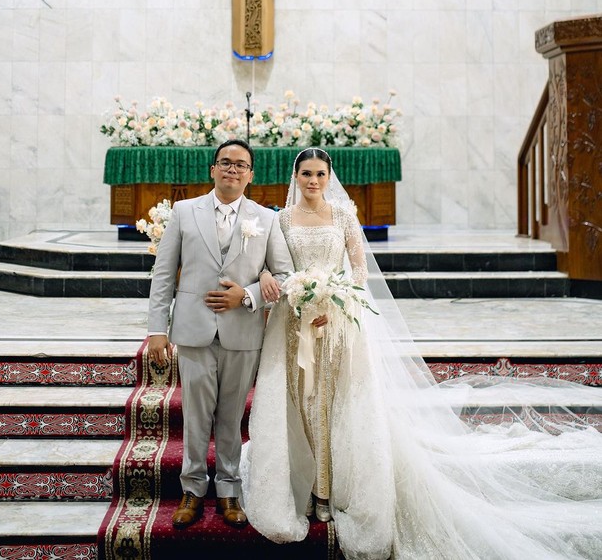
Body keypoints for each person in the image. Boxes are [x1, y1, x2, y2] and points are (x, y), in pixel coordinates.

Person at [241, 147, 602, 560]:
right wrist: (283, 286)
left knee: (335, 403)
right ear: (295, 176)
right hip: (293, 324)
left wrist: (335, 302)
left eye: (320, 174)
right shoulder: (282, 219)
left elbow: (358, 271)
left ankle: (331, 489)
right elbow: (269, 263)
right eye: (306, 173)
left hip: (338, 324)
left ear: (329, 176)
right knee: (301, 401)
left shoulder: (342, 215)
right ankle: (304, 484)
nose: (313, 181)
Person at [146, 139, 294, 531]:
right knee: (195, 414)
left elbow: (284, 276)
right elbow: (164, 273)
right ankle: (192, 489)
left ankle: (229, 490)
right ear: (213, 169)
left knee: (231, 415)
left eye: (240, 164)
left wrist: (245, 296)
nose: (232, 169)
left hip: (242, 331)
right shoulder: (184, 212)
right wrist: (157, 329)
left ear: (251, 175)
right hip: (193, 329)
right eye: (225, 162)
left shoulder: (266, 219)